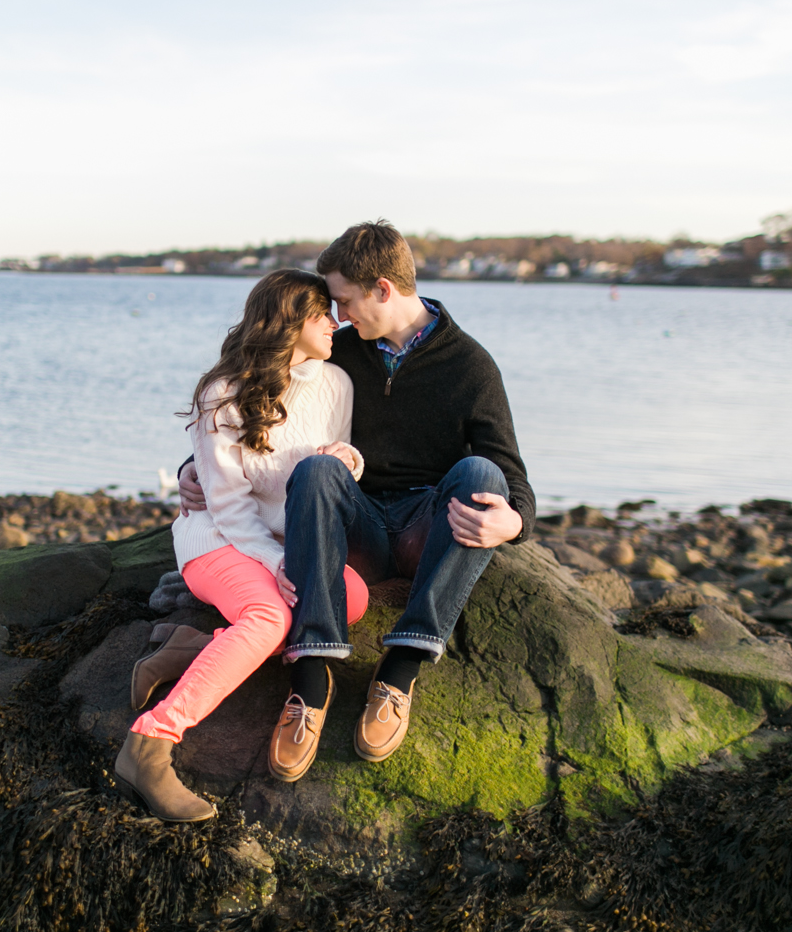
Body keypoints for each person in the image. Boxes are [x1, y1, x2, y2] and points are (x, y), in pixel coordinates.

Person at [179, 220, 535, 781]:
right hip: (355, 528)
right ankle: (311, 677)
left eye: (344, 300)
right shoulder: (334, 353)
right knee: (319, 468)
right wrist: (193, 468)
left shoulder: (469, 366)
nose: (338, 316)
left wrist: (512, 522)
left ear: (383, 290)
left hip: (424, 529)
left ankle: (402, 666)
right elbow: (250, 409)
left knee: (479, 471)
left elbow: (512, 477)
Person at [117, 269, 370, 821]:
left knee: (348, 600)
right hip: (218, 539)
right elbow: (228, 507)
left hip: (289, 537)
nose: (336, 323)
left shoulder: (336, 385)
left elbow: (343, 460)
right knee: (268, 618)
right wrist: (281, 564)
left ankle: (194, 647)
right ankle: (150, 743)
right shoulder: (222, 393)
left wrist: (347, 461)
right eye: (322, 314)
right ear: (289, 321)